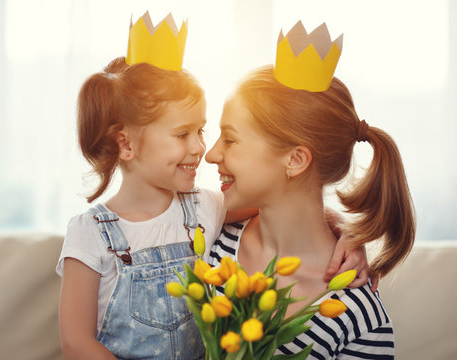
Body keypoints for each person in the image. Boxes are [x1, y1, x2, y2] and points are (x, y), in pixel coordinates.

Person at [57, 15, 372, 360]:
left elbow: (288, 202)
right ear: (126, 144)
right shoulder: (90, 232)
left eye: (201, 131)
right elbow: (75, 343)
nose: (202, 150)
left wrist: (345, 234)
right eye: (182, 134)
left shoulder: (206, 209)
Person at [206, 22, 415, 359]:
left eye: (229, 139)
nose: (211, 154)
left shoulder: (359, 317)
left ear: (295, 160)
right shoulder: (204, 242)